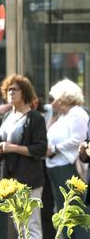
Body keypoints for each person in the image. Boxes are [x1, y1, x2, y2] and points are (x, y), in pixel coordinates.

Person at [0, 75, 47, 238]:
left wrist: (12, 148)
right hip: (11, 179)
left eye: (14, 89)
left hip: (30, 178)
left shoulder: (35, 118)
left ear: (24, 93)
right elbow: (4, 144)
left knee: (32, 226)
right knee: (19, 226)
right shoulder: (8, 117)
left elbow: (41, 149)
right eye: (8, 90)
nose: (10, 92)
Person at [45, 79, 89, 239]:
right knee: (62, 210)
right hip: (55, 166)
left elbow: (79, 139)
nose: (51, 102)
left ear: (63, 97)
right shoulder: (62, 116)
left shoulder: (77, 113)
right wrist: (53, 114)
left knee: (76, 210)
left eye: (53, 98)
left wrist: (55, 148)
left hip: (69, 167)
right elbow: (47, 134)